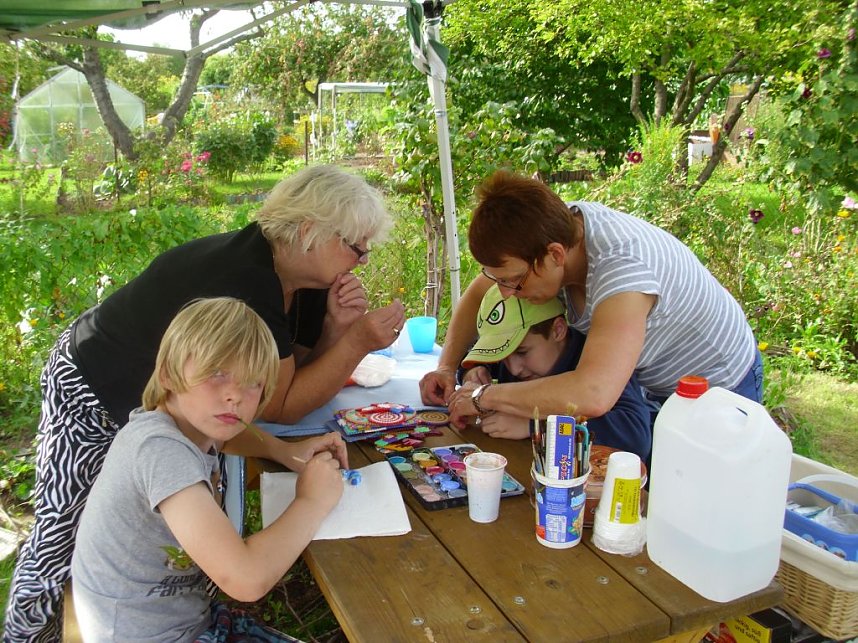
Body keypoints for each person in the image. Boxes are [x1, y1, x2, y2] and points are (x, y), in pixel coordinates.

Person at [6, 164, 405, 642]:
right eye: (355, 246)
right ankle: (24, 635)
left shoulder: (302, 283)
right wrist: (357, 340)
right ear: (309, 231)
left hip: (168, 408)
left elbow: (282, 382)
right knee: (61, 529)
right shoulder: (244, 282)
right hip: (91, 378)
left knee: (145, 512)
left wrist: (335, 333)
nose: (361, 260)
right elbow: (281, 404)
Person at [71, 297, 347, 641]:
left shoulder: (188, 424)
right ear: (168, 374)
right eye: (217, 373)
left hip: (182, 619)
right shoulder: (159, 450)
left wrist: (286, 451)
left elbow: (231, 440)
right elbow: (246, 579)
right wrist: (312, 501)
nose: (234, 395)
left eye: (253, 382)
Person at [420, 170, 762, 432]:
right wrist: (447, 367)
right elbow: (479, 292)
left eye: (514, 281)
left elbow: (593, 393)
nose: (507, 292)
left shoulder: (623, 271)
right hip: (660, 388)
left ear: (554, 255)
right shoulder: (549, 233)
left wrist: (484, 399)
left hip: (722, 387)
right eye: (502, 281)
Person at [457, 285, 651, 462]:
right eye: (502, 355)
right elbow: (471, 359)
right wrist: (472, 371)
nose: (513, 368)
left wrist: (537, 426)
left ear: (558, 330)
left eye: (522, 352)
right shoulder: (521, 360)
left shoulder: (599, 362)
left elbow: (635, 436)